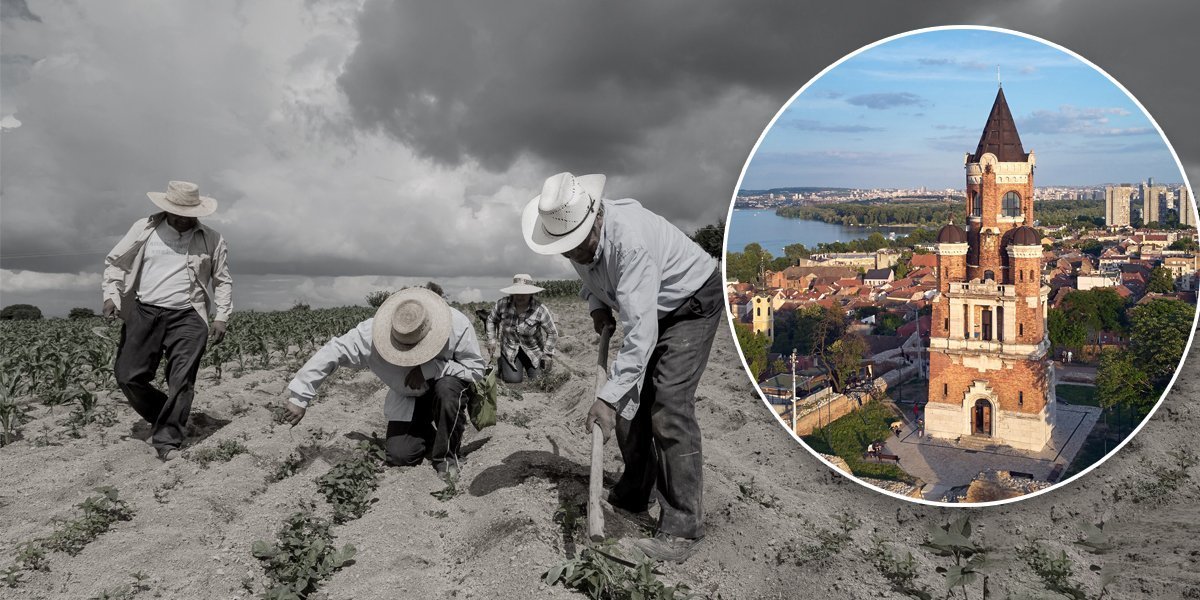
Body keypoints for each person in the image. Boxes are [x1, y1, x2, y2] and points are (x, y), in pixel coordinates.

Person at [522, 172, 721, 563]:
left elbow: (641, 334)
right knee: (631, 401)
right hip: (654, 305)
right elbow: (591, 277)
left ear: (596, 217)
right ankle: (636, 490)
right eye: (566, 249)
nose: (573, 254)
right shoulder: (579, 241)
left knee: (667, 404)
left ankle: (684, 528)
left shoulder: (630, 243)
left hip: (692, 303)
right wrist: (598, 308)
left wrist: (607, 399)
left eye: (578, 245)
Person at [282, 287, 484, 480]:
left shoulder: (455, 324)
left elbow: (475, 371)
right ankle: (432, 434)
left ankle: (447, 457)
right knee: (401, 456)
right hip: (409, 395)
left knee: (447, 390)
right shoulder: (370, 335)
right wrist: (300, 396)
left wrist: (432, 369)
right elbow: (333, 351)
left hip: (447, 388)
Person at [103, 181, 232, 461]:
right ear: (166, 208)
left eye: (188, 213)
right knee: (128, 375)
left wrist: (221, 316)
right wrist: (111, 296)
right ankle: (165, 413)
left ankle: (167, 441)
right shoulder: (145, 229)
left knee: (182, 380)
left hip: (188, 315)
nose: (182, 218)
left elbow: (222, 280)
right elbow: (116, 263)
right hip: (145, 311)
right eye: (176, 212)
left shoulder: (212, 239)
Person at [485, 274, 559, 383]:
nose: (520, 296)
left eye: (524, 293)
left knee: (537, 380)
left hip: (533, 351)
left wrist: (547, 354)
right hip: (509, 348)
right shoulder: (502, 304)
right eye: (517, 293)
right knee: (513, 380)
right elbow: (491, 320)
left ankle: (529, 367)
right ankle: (504, 363)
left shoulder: (540, 309)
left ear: (531, 294)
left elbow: (552, 333)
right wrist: (491, 340)